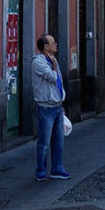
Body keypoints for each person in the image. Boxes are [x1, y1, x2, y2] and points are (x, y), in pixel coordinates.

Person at [32, 34, 69, 181]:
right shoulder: (38, 62)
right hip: (45, 108)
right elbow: (52, 77)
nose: (56, 44)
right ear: (46, 47)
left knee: (59, 141)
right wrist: (53, 67)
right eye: (53, 42)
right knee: (44, 142)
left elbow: (59, 82)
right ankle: (40, 171)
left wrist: (61, 102)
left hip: (57, 106)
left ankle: (57, 169)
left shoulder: (54, 60)